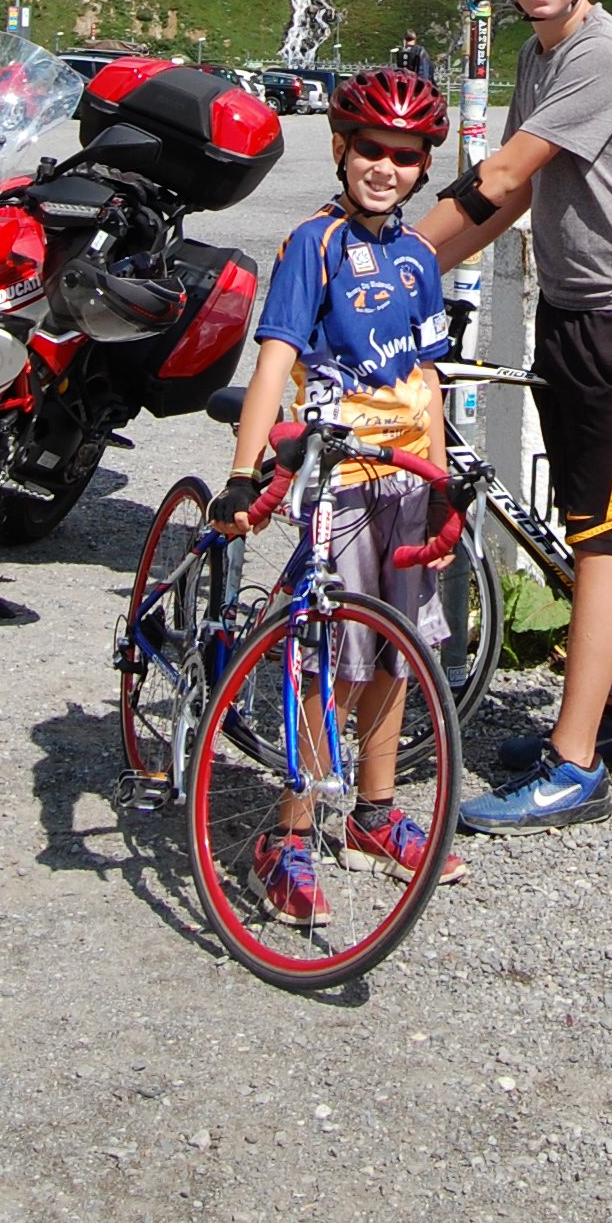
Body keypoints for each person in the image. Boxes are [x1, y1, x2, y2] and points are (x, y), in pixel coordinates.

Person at [416, 0, 612, 834]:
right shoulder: (541, 55)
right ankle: (609, 712)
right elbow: (516, 198)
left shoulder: (600, 53)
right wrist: (418, 269)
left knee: (608, 538)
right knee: (586, 522)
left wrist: (387, 259)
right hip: (574, 309)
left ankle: (575, 768)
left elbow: (500, 174)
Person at [214, 65, 465, 918]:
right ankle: (286, 836)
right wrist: (245, 473)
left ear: (424, 167)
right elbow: (274, 362)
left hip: (409, 479)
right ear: (340, 150)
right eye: (371, 150)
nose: (385, 168)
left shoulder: (419, 257)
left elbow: (426, 378)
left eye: (405, 155)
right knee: (334, 660)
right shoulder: (311, 245)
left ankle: (374, 813)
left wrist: (441, 480)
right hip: (340, 480)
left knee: (398, 650)